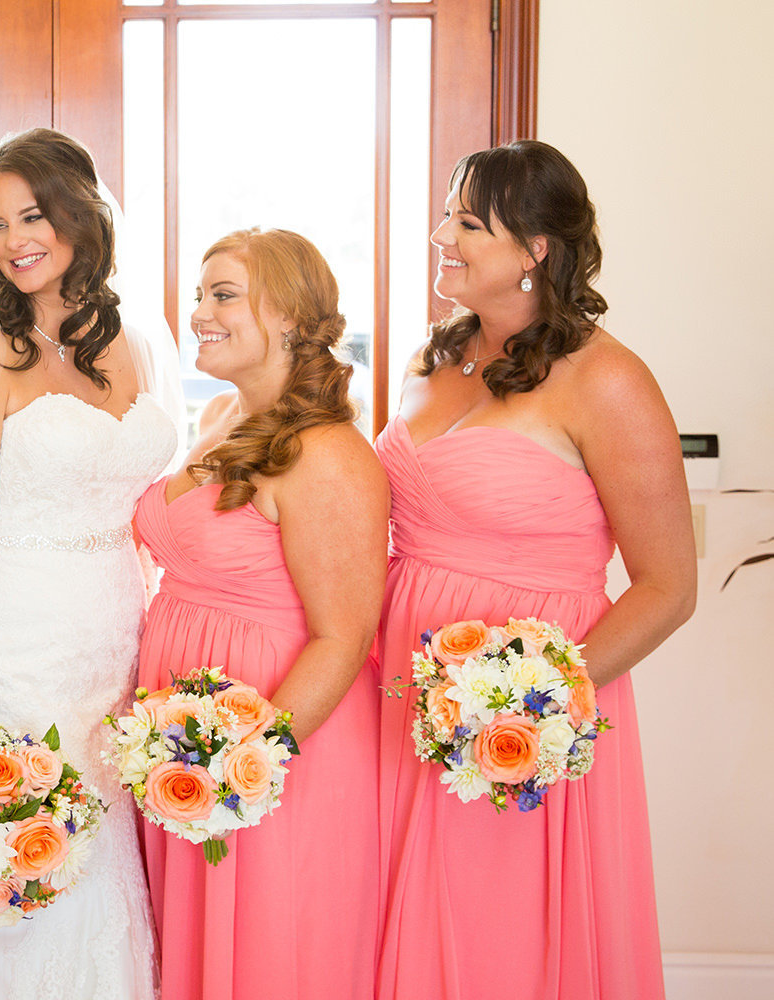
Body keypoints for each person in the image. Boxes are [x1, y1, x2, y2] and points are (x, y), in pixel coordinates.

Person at [375, 139, 695, 1000]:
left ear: (535, 250)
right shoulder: (433, 358)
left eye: (468, 221)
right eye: (447, 213)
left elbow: (669, 588)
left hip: (527, 697)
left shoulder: (609, 381)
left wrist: (523, 698)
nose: (443, 233)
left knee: (503, 935)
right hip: (401, 682)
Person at [0, 127, 177, 999]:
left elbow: (156, 513)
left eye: (31, 214)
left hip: (117, 642)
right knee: (28, 859)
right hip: (17, 653)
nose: (14, 239)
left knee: (104, 860)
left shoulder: (136, 345)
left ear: (80, 215)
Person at [136, 228, 388, 1000]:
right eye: (199, 295)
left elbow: (343, 637)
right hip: (183, 736)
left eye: (223, 295)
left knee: (274, 953)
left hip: (277, 740)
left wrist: (242, 765)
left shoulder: (328, 454)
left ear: (287, 316)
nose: (200, 313)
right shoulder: (217, 418)